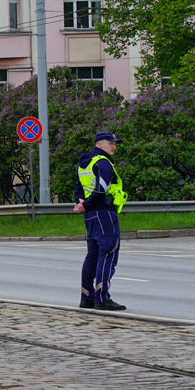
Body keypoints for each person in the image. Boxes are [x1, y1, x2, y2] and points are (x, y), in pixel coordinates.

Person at [73, 131, 128, 312]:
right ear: (99, 144)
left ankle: (86, 297)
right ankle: (102, 298)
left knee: (93, 256)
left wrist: (81, 204)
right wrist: (86, 204)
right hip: (104, 213)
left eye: (115, 143)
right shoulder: (103, 163)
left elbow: (79, 188)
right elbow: (101, 190)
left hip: (90, 215)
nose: (114, 146)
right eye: (110, 143)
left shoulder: (85, 163)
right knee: (108, 253)